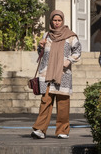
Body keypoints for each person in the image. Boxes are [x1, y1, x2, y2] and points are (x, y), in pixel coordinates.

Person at [31, 10, 81, 139]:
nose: (57, 23)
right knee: (45, 101)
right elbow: (41, 54)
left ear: (63, 21)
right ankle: (40, 130)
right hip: (47, 73)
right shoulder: (46, 35)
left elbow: (78, 51)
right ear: (51, 21)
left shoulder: (70, 36)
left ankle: (62, 130)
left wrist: (68, 60)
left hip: (63, 74)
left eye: (59, 20)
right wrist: (40, 46)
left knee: (63, 103)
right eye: (55, 20)